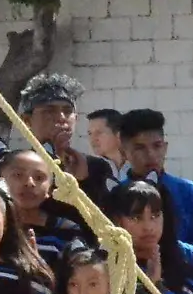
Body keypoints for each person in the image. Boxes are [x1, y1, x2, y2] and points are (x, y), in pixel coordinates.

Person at [106, 179, 193, 294]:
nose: (148, 227)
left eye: (155, 216)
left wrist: (158, 286)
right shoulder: (104, 266)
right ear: (117, 221)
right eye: (136, 218)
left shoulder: (177, 263)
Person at [19, 74, 118, 208]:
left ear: (76, 119)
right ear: (27, 121)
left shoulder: (97, 168)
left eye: (68, 111)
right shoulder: (17, 168)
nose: (61, 117)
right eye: (49, 111)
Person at [0, 149, 92, 273]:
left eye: (39, 177)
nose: (29, 183)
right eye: (18, 175)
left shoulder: (66, 231)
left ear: (50, 189)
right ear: (1, 181)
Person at [116, 109, 193, 246]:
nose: (151, 154)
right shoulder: (117, 196)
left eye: (157, 146)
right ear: (123, 152)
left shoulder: (190, 192)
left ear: (165, 147)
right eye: (140, 148)